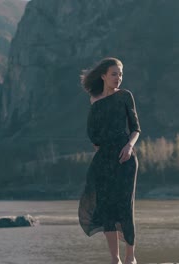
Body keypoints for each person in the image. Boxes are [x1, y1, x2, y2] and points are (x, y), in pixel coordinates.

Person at [78, 57, 141, 264]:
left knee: (125, 207)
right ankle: (115, 260)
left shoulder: (125, 96)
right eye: (114, 74)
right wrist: (105, 150)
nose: (118, 78)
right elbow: (93, 135)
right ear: (104, 75)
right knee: (106, 209)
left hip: (126, 159)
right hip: (104, 162)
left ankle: (130, 257)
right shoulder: (94, 101)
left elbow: (135, 129)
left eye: (121, 74)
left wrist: (129, 146)